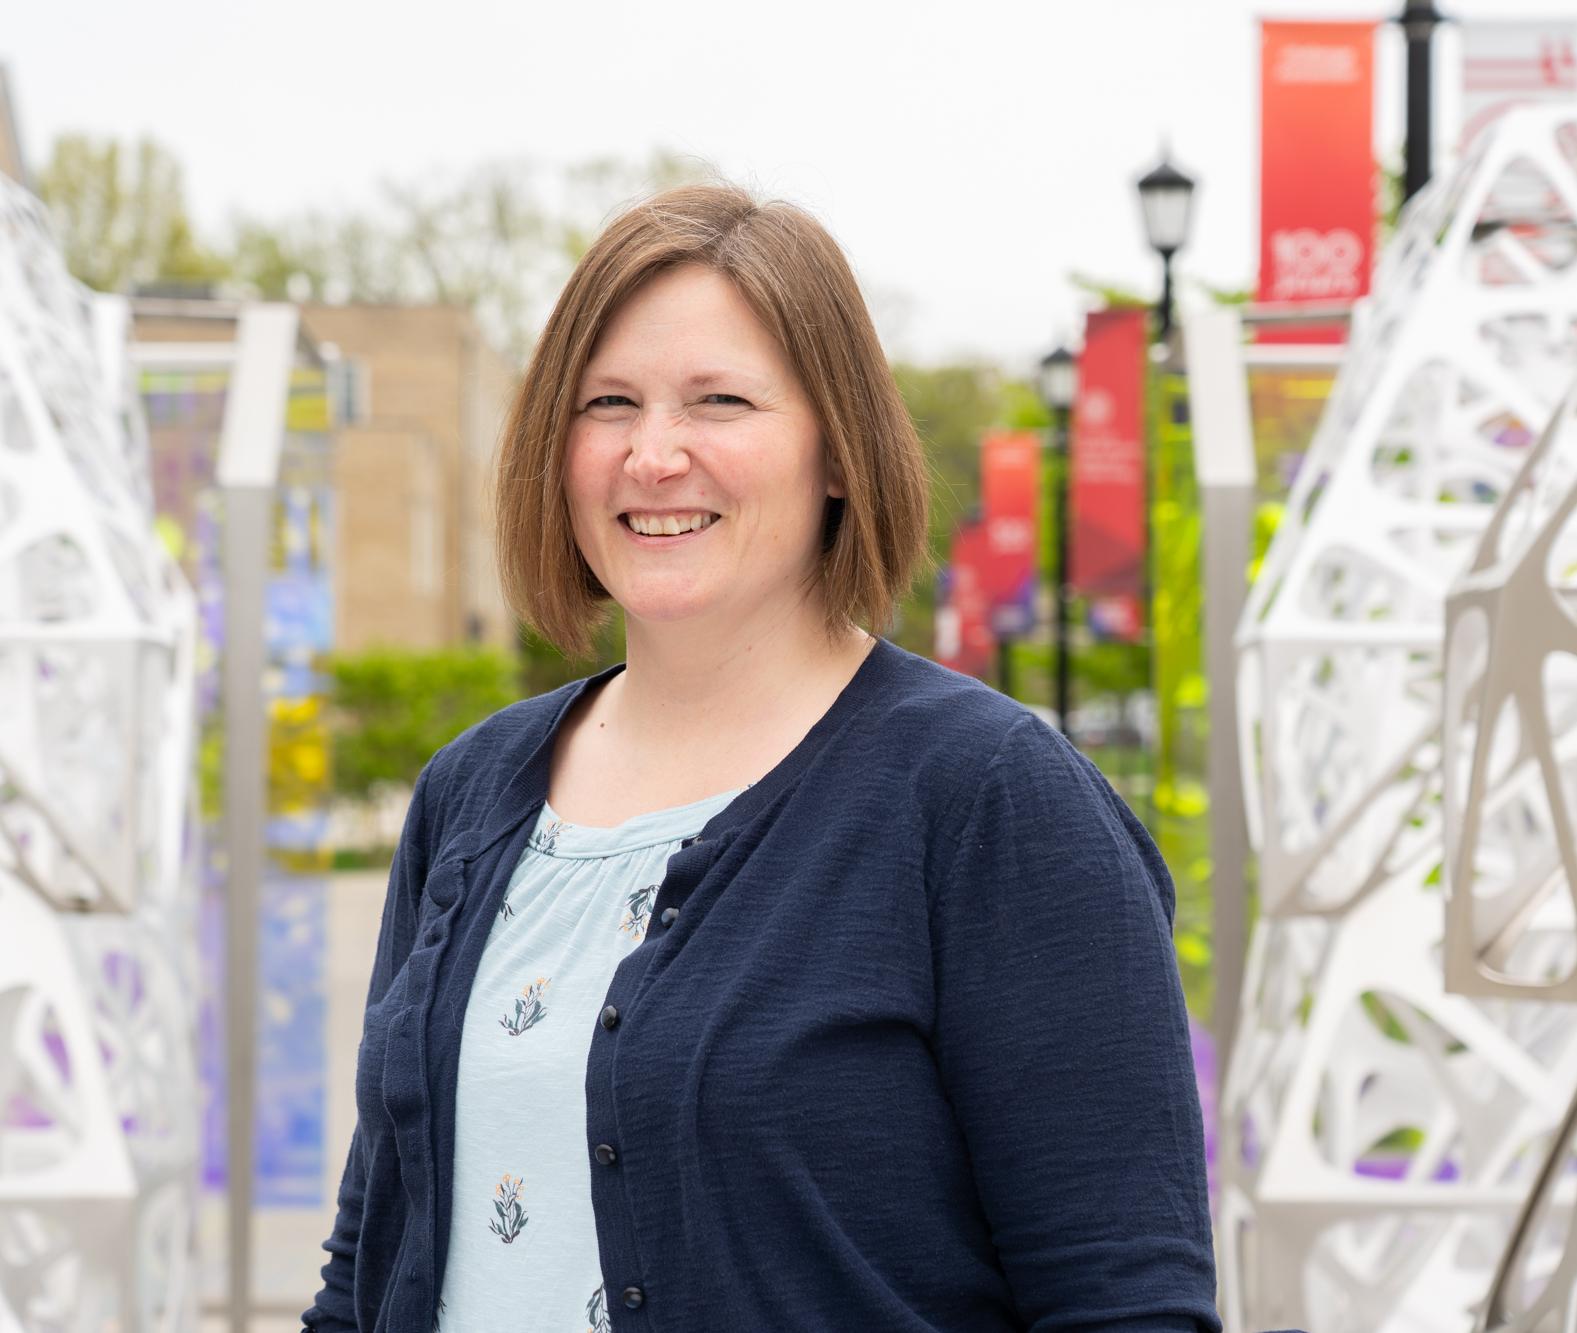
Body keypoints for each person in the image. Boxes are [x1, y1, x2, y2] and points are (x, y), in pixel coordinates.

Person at [304, 181, 1220, 1333]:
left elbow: (1120, 1302)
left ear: (838, 453)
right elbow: (367, 1255)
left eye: (718, 401)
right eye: (608, 403)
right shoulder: (471, 791)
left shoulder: (987, 801)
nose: (652, 454)